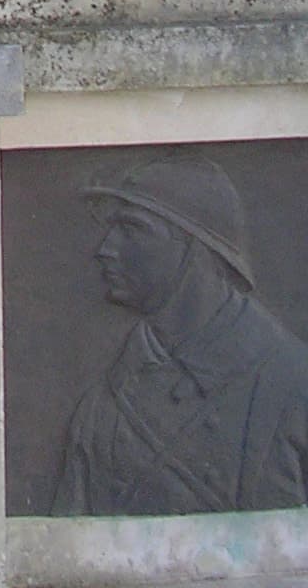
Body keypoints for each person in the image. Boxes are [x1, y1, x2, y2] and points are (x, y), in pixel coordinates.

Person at [53, 155, 308, 515]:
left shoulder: (293, 385)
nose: (105, 249)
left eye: (132, 229)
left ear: (193, 248)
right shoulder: (103, 407)